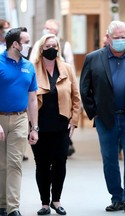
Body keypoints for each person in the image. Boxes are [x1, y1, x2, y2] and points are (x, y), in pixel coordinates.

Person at [80, 20, 125, 213]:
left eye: (124, 37)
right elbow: (85, 89)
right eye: (117, 37)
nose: (121, 40)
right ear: (108, 37)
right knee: (109, 159)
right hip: (106, 119)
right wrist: (94, 113)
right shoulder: (93, 58)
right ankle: (116, 197)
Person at [30, 33, 80, 216]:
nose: (53, 49)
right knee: (42, 164)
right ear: (42, 48)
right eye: (49, 46)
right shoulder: (32, 68)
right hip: (39, 126)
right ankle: (44, 203)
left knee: (60, 163)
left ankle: (56, 200)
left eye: (55, 45)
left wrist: (74, 121)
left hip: (61, 126)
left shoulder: (66, 68)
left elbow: (76, 96)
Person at [0, 27, 38, 216]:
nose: (29, 45)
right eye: (26, 41)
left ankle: (13, 206)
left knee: (14, 163)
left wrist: (34, 127)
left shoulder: (29, 66)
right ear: (15, 44)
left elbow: (32, 99)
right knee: (1, 164)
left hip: (20, 119)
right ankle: (1, 204)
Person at [30, 19, 77, 156]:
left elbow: (71, 67)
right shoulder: (37, 46)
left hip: (61, 96)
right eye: (45, 28)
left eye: (48, 28)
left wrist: (74, 118)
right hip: (41, 114)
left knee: (59, 161)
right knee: (42, 161)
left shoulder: (65, 46)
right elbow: (32, 63)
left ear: (56, 31)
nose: (45, 30)